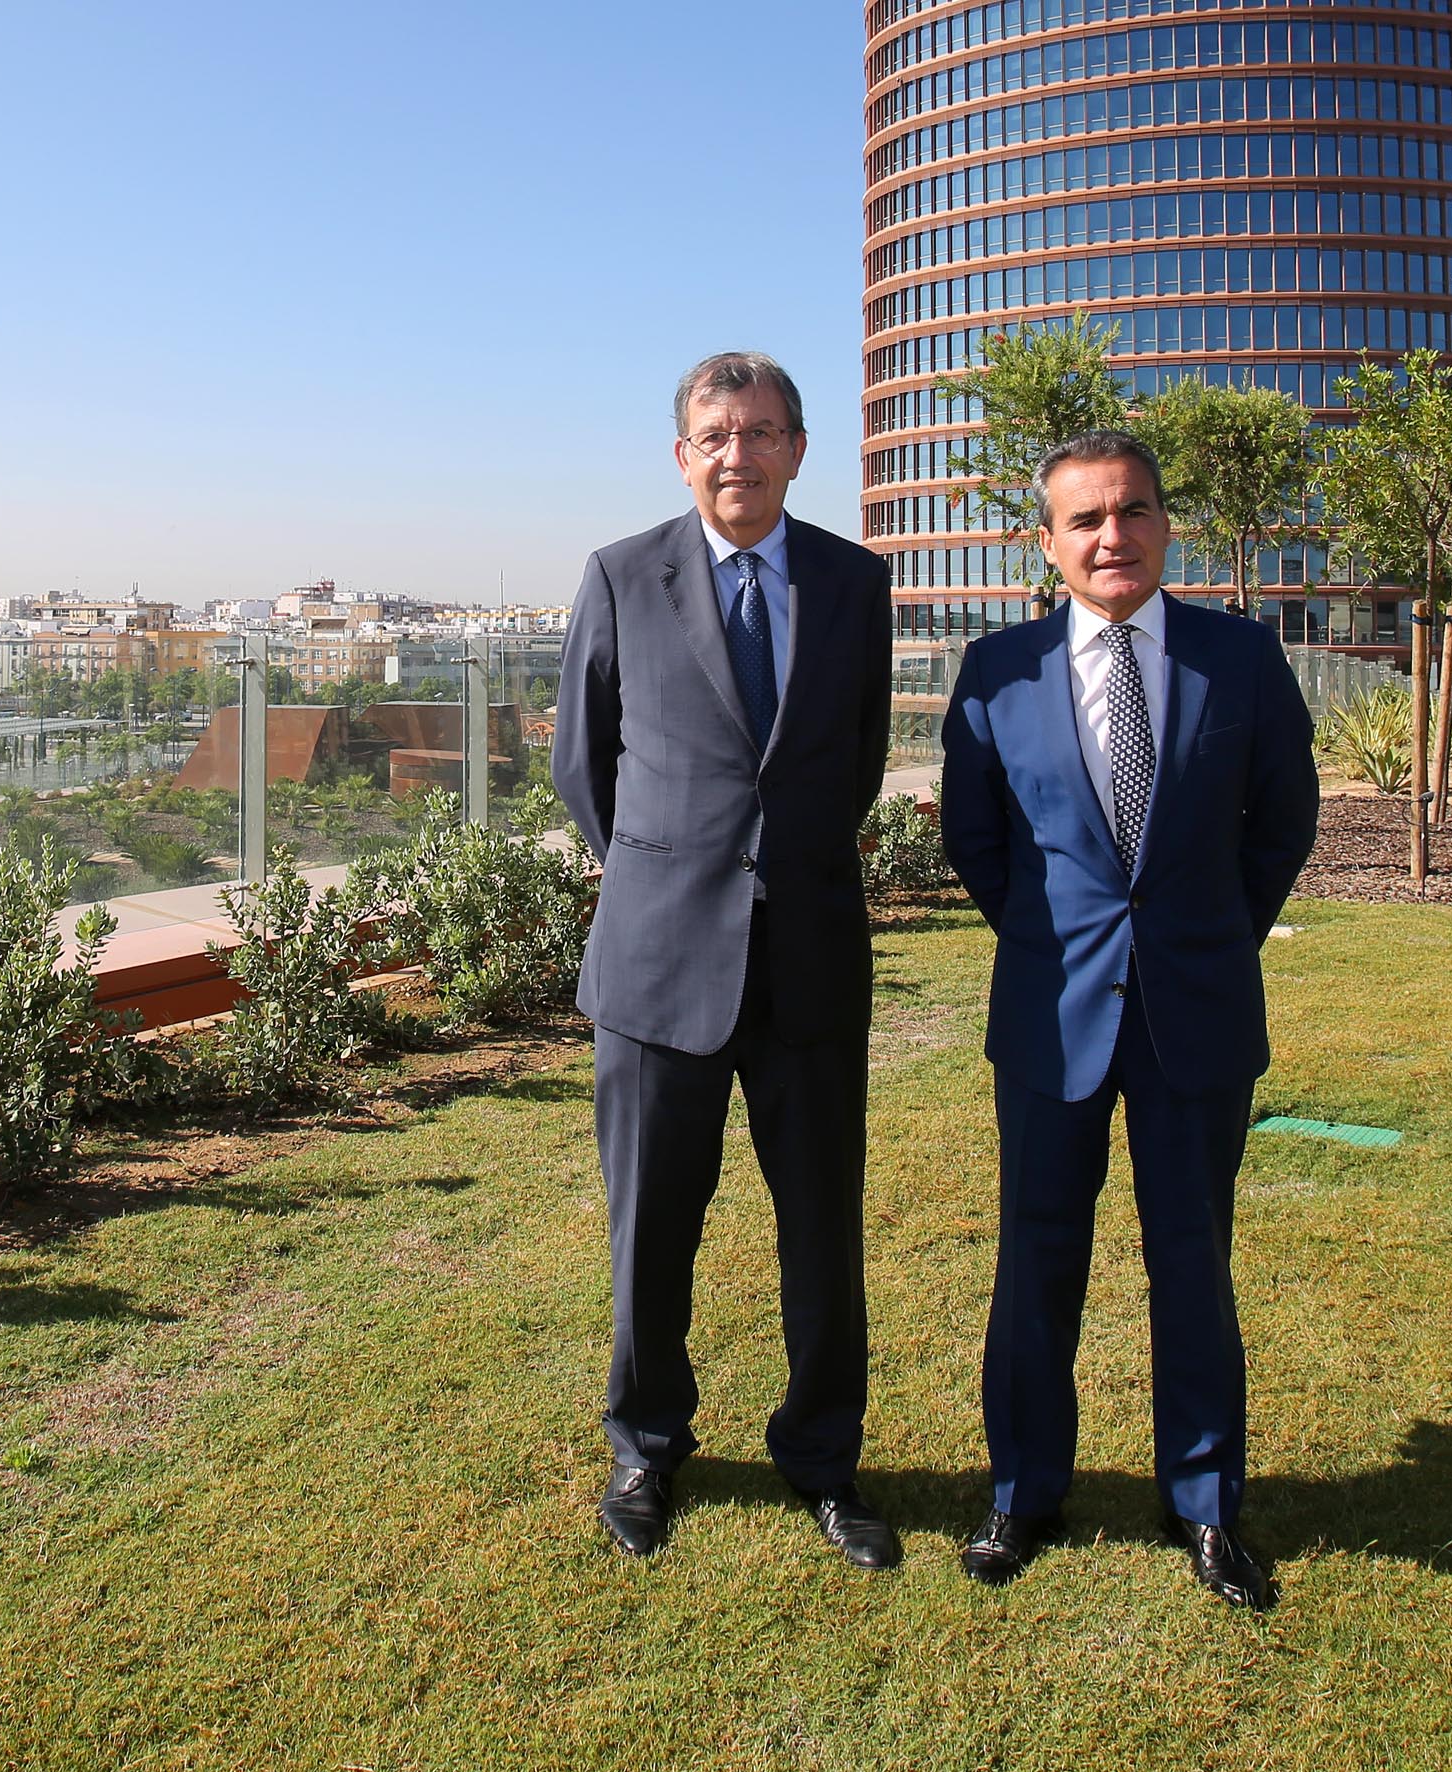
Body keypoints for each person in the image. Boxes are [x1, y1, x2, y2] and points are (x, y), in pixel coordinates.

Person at [937, 431, 1320, 1610]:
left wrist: (1200, 938)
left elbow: (1281, 824)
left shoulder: (1241, 659)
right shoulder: (994, 669)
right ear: (1044, 541)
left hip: (1196, 1015)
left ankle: (1203, 1501)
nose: (1113, 536)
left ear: (1165, 523)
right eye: (1086, 520)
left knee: (1192, 1263)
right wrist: (1059, 942)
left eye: (1134, 511)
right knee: (1034, 1260)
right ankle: (1023, 1487)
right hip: (1050, 1017)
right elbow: (977, 841)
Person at [553, 352, 898, 1563]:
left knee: (821, 1230)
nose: (735, 453)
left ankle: (823, 1456)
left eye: (759, 432)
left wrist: (769, 867)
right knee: (648, 1229)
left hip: (806, 958)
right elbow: (581, 769)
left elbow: (850, 763)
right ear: (680, 450)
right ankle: (645, 1447)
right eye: (714, 432)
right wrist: (668, 869)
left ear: (799, 449)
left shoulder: (857, 584)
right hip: (655, 965)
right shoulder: (617, 575)